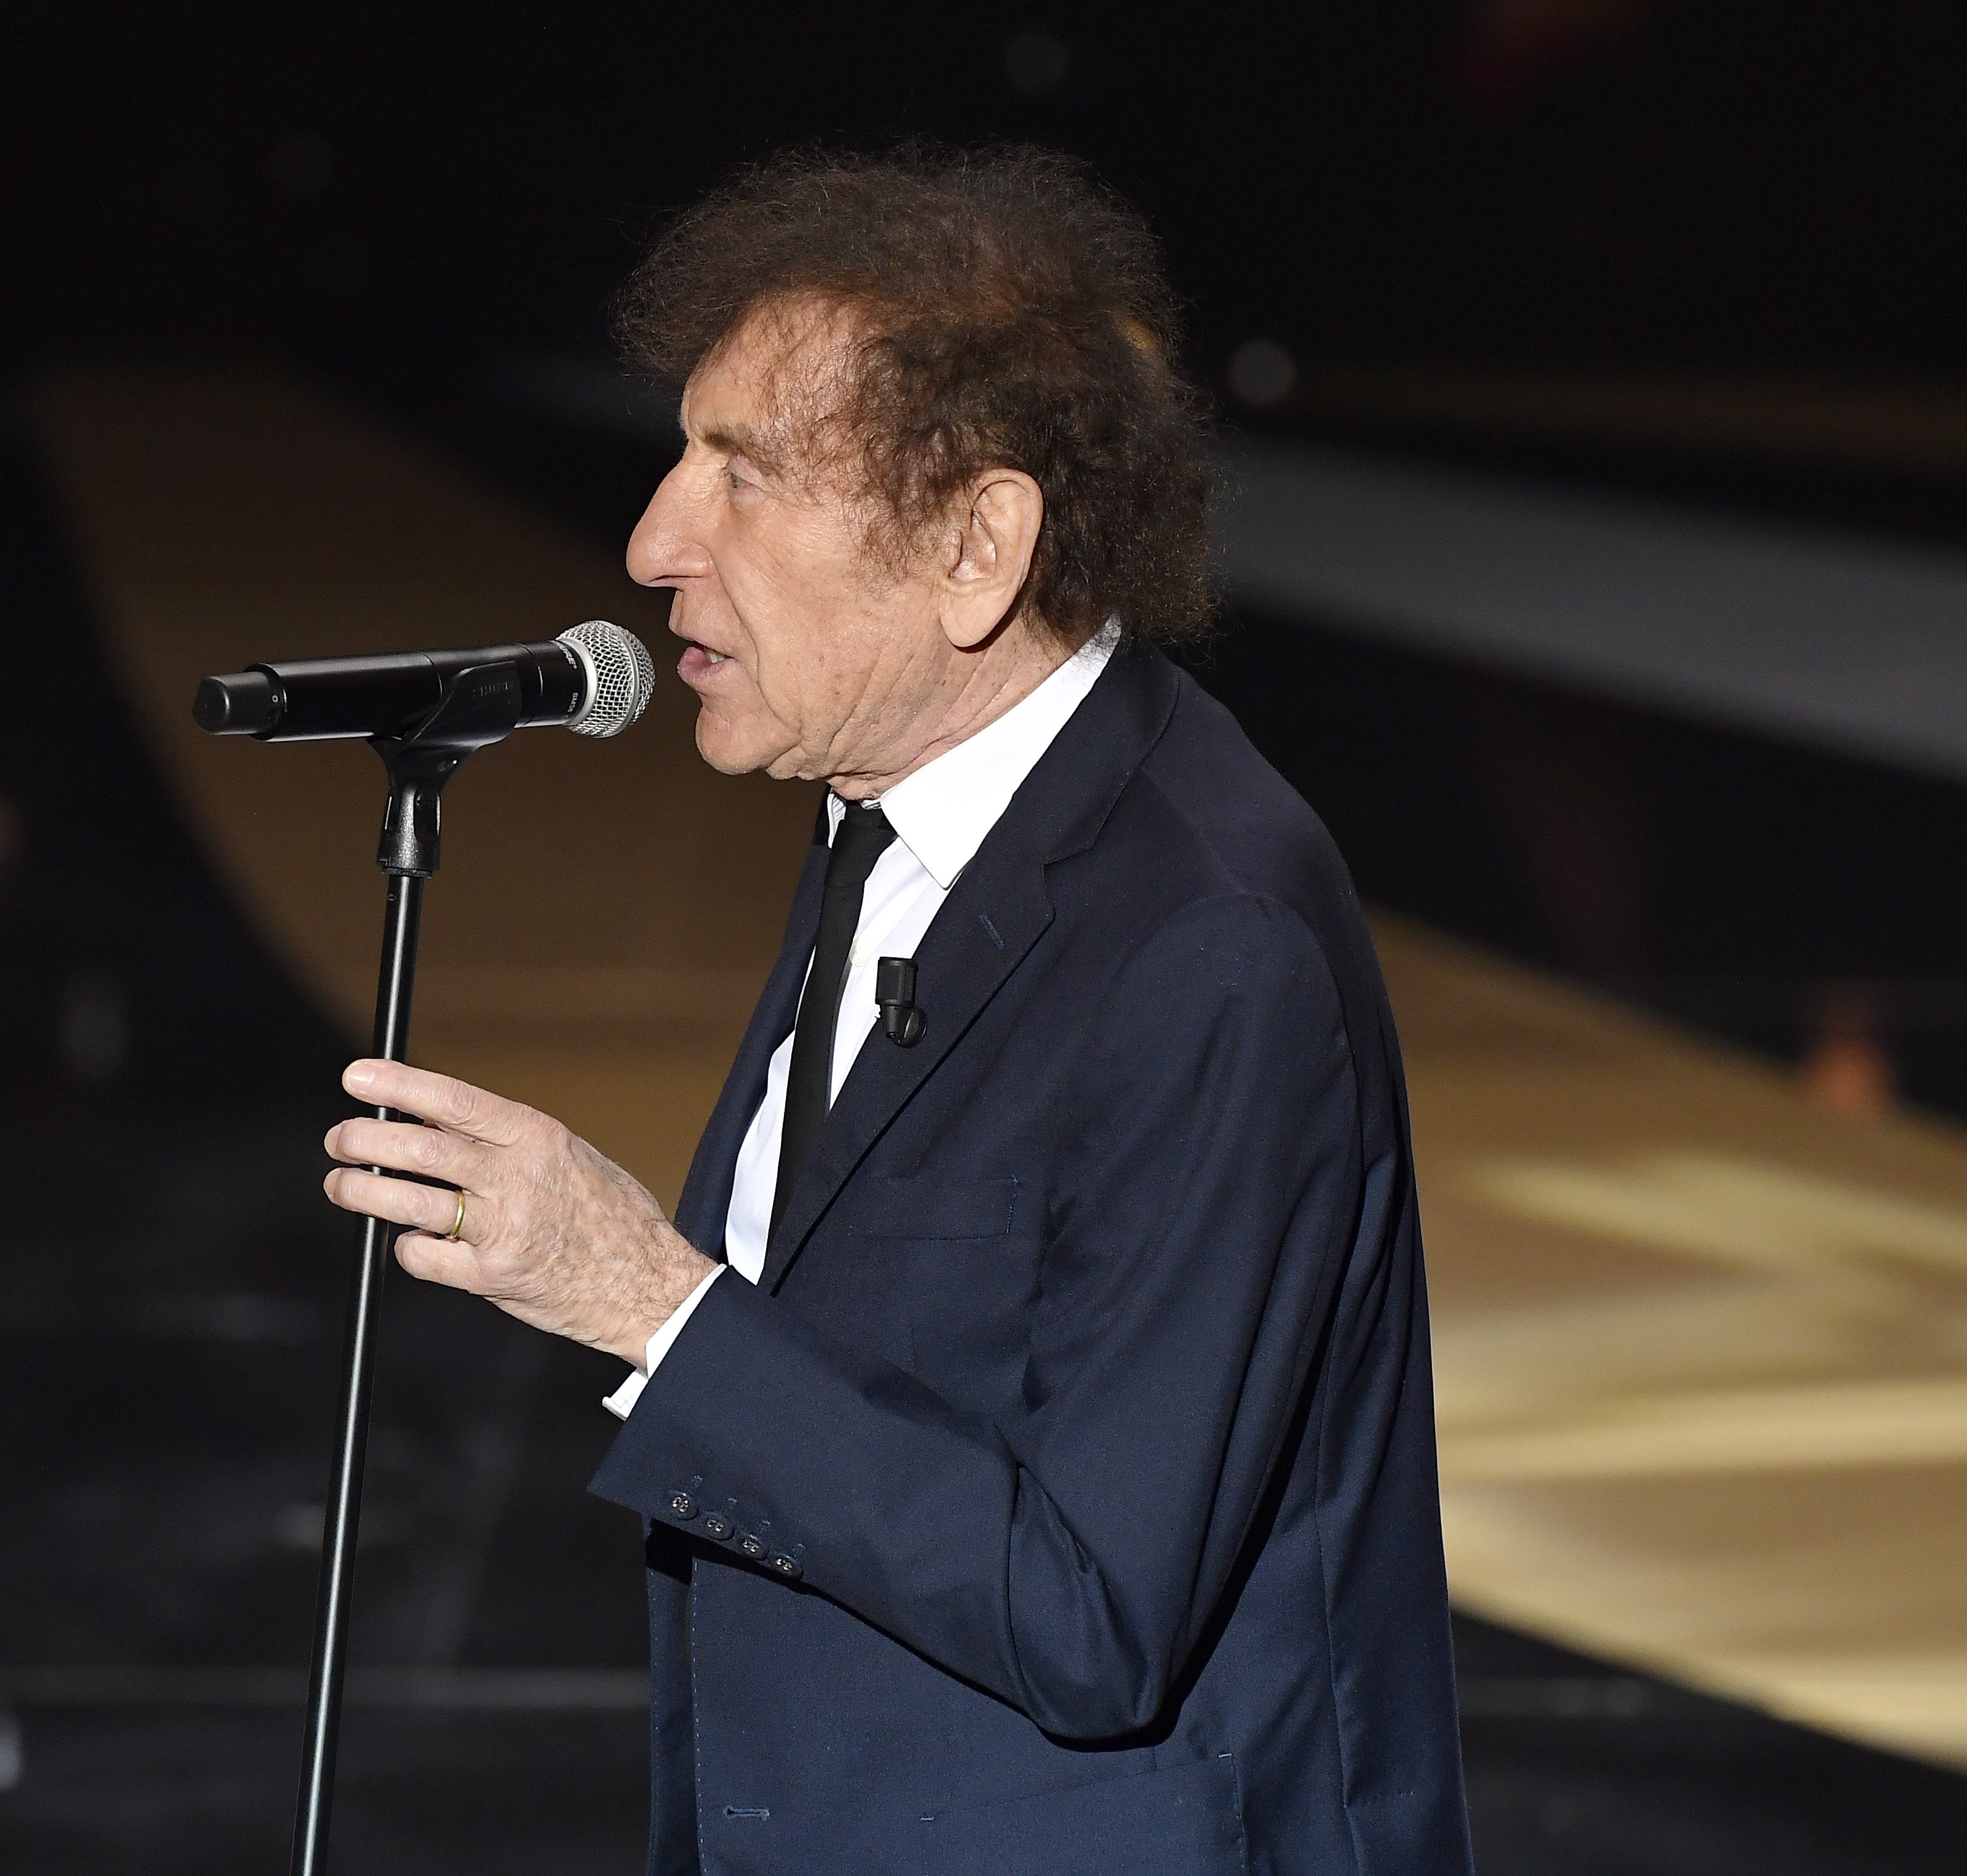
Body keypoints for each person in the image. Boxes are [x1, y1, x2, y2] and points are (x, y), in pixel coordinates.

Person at [322, 145, 1471, 1875]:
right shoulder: (899, 804)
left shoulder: (1209, 947)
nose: (650, 543)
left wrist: (647, 1299)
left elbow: (1091, 1615)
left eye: (744, 476)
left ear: (974, 545)